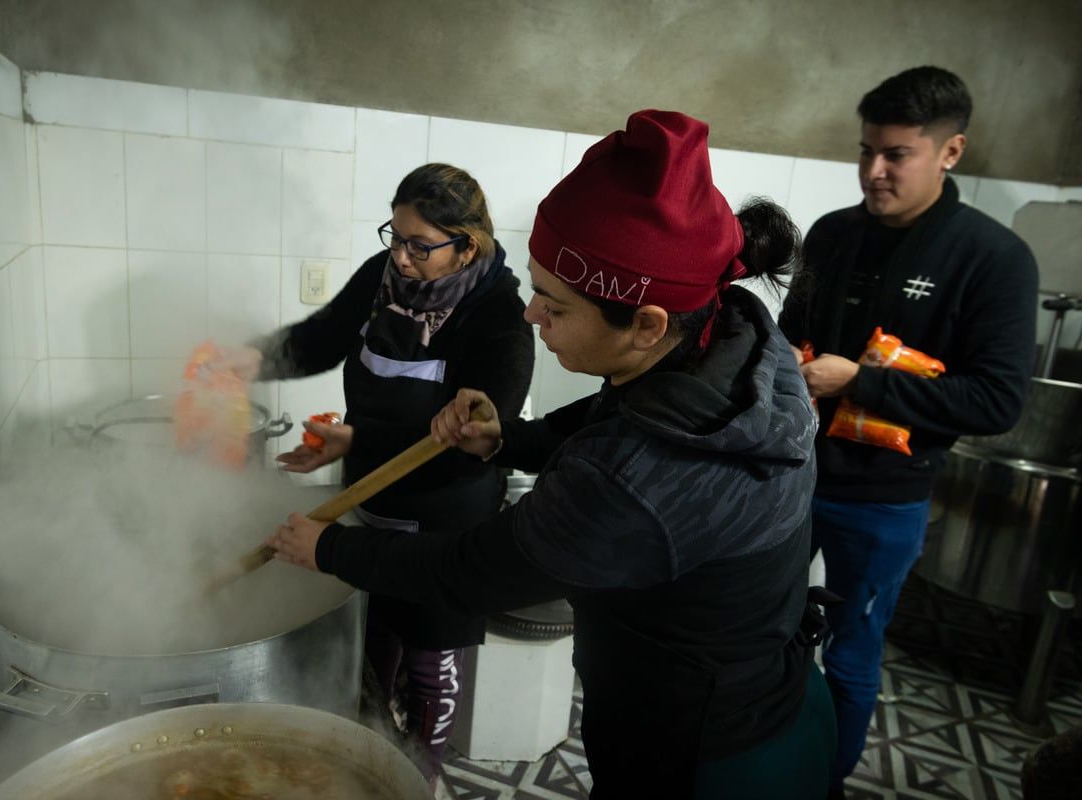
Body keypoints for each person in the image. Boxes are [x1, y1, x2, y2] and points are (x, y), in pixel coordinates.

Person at [271, 110, 838, 798]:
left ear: (647, 324)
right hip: (781, 700)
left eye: (554, 304)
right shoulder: (736, 336)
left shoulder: (635, 483)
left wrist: (327, 548)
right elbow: (612, 417)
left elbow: (473, 571)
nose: (531, 314)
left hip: (710, 763)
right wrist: (506, 439)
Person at [218, 163, 535, 783]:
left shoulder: (500, 321)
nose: (402, 257)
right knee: (373, 648)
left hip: (443, 521)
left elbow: (467, 443)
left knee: (428, 664)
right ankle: (367, 774)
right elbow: (321, 337)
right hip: (365, 502)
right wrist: (253, 358)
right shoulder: (383, 277)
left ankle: (417, 782)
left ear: (466, 246)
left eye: (420, 245)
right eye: (395, 236)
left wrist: (358, 439)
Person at [777, 66, 1039, 796]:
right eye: (866, 151)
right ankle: (765, 763)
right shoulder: (833, 234)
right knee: (764, 628)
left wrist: (859, 383)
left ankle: (823, 783)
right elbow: (790, 332)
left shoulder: (993, 259)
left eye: (896, 155)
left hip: (882, 500)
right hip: (790, 477)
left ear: (950, 152)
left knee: (851, 652)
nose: (874, 171)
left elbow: (996, 401)